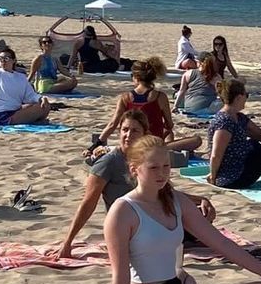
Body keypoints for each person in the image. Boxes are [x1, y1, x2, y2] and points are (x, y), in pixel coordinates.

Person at [105, 135, 261, 284]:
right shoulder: (123, 210)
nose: (162, 174)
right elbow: (120, 273)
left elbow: (219, 242)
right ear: (135, 169)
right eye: (153, 168)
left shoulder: (175, 200)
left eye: (166, 166)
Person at [55, 111, 212, 259]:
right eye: (125, 130)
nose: (128, 135)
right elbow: (88, 202)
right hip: (131, 227)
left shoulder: (146, 159)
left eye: (135, 131)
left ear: (144, 134)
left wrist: (199, 200)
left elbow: (165, 192)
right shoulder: (108, 163)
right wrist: (67, 242)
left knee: (203, 214)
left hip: (153, 217)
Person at [99, 58, 202, 154]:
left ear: (136, 77)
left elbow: (112, 125)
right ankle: (164, 149)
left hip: (132, 144)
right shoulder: (159, 97)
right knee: (195, 140)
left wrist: (97, 144)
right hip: (152, 145)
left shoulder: (125, 98)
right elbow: (169, 124)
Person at [208, 79, 261, 187]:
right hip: (234, 178)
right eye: (246, 95)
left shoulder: (239, 118)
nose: (246, 99)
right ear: (239, 97)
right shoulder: (225, 122)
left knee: (257, 143)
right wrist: (213, 177)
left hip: (238, 169)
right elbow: (216, 155)